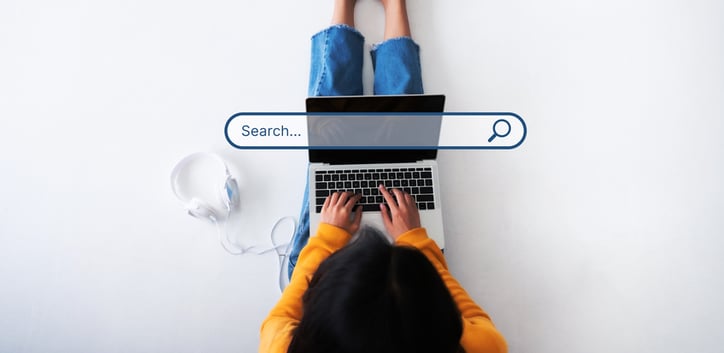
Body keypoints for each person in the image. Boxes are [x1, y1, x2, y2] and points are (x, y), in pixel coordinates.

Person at [260, 186, 508, 353]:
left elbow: (279, 319)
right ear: (443, 315)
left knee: (324, 178)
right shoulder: (484, 347)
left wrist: (328, 237)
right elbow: (477, 321)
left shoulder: (284, 346)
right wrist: (414, 239)